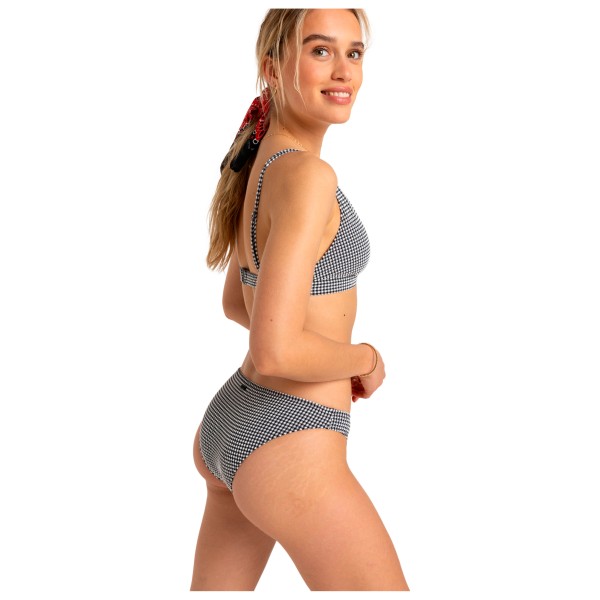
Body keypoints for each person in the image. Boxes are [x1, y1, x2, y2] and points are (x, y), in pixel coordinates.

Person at [190, 8, 409, 592]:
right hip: (294, 438)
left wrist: (317, 351)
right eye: (320, 50)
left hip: (233, 421)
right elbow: (276, 351)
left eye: (354, 52)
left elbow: (238, 301)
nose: (343, 70)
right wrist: (363, 358)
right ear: (272, 67)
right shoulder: (309, 177)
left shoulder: (263, 162)